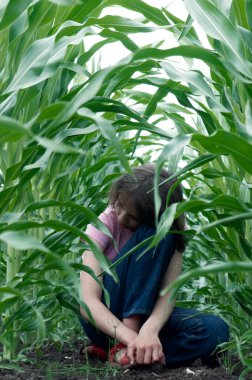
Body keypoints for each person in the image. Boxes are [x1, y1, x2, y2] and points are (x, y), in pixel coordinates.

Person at [79, 163, 229, 367]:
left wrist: (150, 331)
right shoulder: (106, 221)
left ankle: (121, 356)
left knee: (216, 330)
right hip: (104, 320)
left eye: (134, 217)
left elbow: (168, 296)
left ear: (153, 215)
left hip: (147, 318)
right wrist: (134, 339)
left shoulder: (168, 232)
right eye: (120, 205)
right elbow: (88, 302)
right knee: (156, 235)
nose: (121, 218)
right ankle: (132, 349)